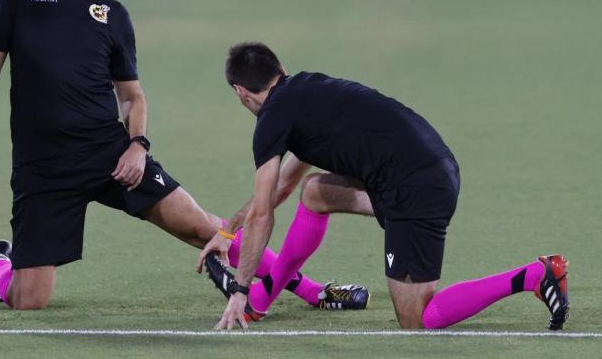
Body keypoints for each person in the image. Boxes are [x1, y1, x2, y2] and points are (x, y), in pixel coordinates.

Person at [0, 0, 368, 312]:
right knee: (29, 300)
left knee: (203, 226)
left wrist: (138, 145)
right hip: (43, 167)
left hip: (108, 152)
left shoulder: (111, 14)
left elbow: (131, 96)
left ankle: (315, 292)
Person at [201, 41, 568, 330]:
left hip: (415, 189)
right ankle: (263, 302)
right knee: (314, 193)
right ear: (279, 70)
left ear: (240, 92)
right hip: (428, 169)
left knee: (416, 319)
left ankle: (534, 276)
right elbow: (283, 186)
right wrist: (228, 231)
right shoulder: (306, 91)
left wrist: (239, 289)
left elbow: (264, 212)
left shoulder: (271, 119)